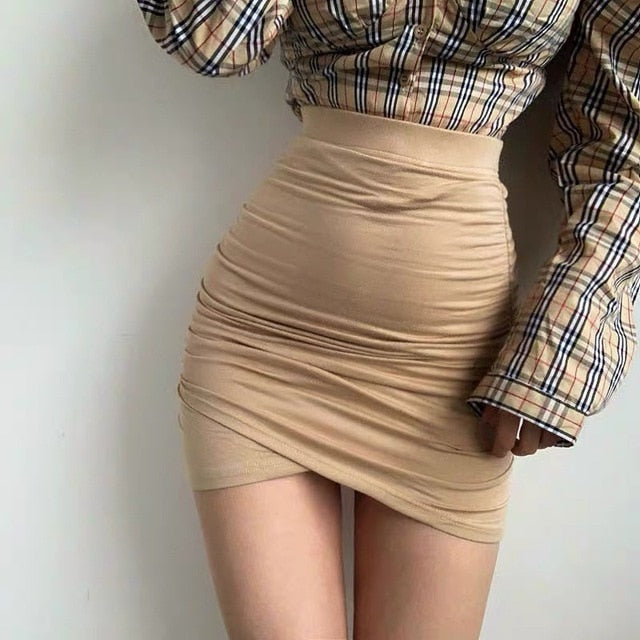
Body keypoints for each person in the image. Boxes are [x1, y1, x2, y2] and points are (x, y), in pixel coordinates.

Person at [134, 1, 640, 638]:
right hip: (263, 347)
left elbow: (626, 156)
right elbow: (209, 41)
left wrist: (557, 353)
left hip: (454, 368)